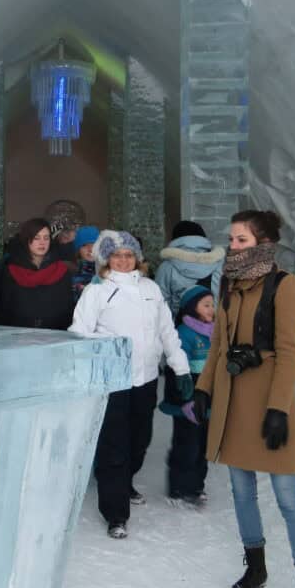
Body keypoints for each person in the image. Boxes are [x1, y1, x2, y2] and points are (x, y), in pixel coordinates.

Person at [192, 210, 295, 588]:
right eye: (231, 239)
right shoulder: (228, 284)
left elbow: (288, 352)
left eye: (241, 240)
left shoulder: (285, 286)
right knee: (241, 491)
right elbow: (217, 345)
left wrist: (280, 409)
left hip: (268, 403)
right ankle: (256, 566)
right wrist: (204, 388)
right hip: (233, 402)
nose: (233, 246)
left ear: (263, 244)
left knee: (288, 497)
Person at [70, 230, 192, 539]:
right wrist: (111, 343)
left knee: (140, 438)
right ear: (106, 259)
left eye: (128, 255)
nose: (123, 261)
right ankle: (115, 512)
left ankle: (124, 481)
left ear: (137, 258)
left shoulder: (150, 288)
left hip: (146, 378)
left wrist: (180, 367)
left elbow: (167, 331)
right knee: (114, 444)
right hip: (113, 379)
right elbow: (79, 332)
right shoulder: (97, 292)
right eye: (117, 255)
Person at [159, 285, 214, 506]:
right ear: (192, 308)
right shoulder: (183, 333)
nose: (211, 309)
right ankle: (178, 486)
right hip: (187, 403)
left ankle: (196, 485)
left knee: (203, 445)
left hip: (208, 401)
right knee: (186, 445)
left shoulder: (215, 332)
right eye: (206, 305)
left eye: (212, 304)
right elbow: (176, 372)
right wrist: (186, 400)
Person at [0, 217, 73, 330]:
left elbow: (67, 309)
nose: (42, 243)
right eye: (36, 238)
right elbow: (3, 308)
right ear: (26, 239)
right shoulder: (11, 270)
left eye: (46, 238)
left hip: (54, 337)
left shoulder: (61, 270)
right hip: (17, 337)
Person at [155, 220, 225, 317]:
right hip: (213, 328)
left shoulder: (166, 267)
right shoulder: (220, 265)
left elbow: (160, 305)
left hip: (180, 329)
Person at [72, 225, 101, 302]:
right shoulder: (73, 274)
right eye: (84, 245)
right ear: (78, 250)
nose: (90, 249)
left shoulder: (110, 271)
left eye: (94, 244)